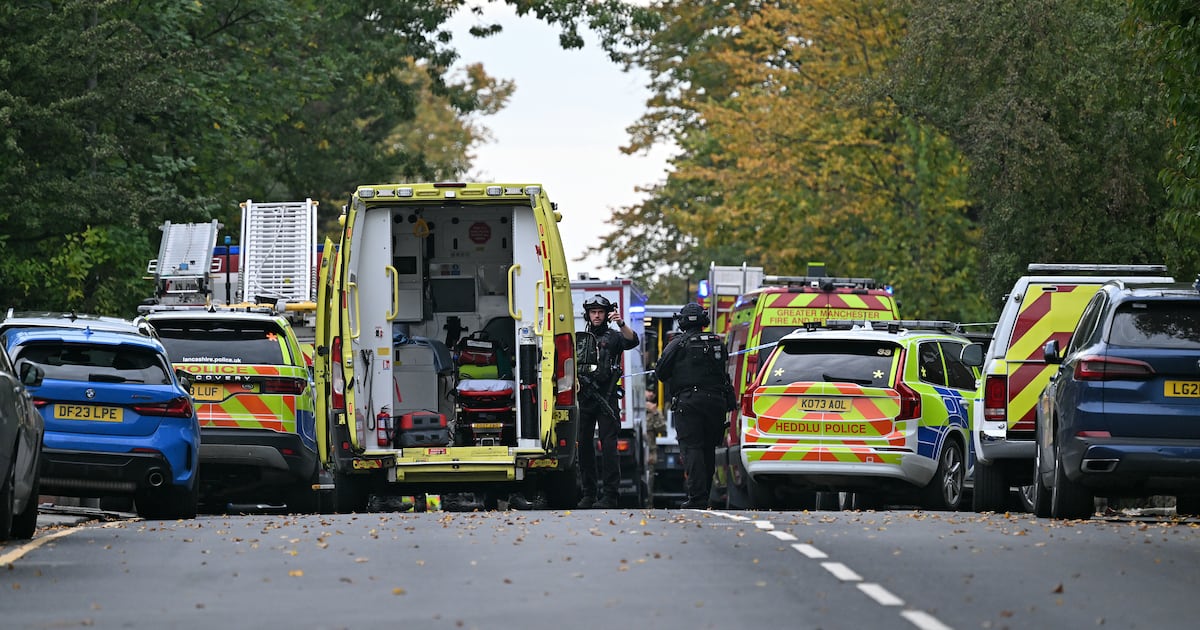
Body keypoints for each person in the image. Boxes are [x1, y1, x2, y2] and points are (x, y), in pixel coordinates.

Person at [653, 303, 737, 509]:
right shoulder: (717, 342)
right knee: (708, 449)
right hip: (716, 403)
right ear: (703, 321)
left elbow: (661, 372)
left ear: (682, 321)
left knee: (692, 448)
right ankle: (704, 495)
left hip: (689, 403)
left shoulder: (677, 343)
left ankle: (697, 498)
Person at [576, 294, 639, 509]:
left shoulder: (614, 337)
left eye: (600, 312)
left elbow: (633, 340)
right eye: (593, 312)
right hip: (584, 398)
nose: (596, 316)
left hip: (607, 397)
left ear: (606, 314)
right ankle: (589, 494)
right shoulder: (581, 338)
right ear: (588, 314)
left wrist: (620, 322)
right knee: (584, 446)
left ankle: (610, 495)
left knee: (609, 446)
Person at [645, 389, 666, 467]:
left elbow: (662, 429)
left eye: (653, 392)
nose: (651, 394)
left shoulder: (655, 410)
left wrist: (655, 413)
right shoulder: (632, 408)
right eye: (648, 391)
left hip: (650, 451)